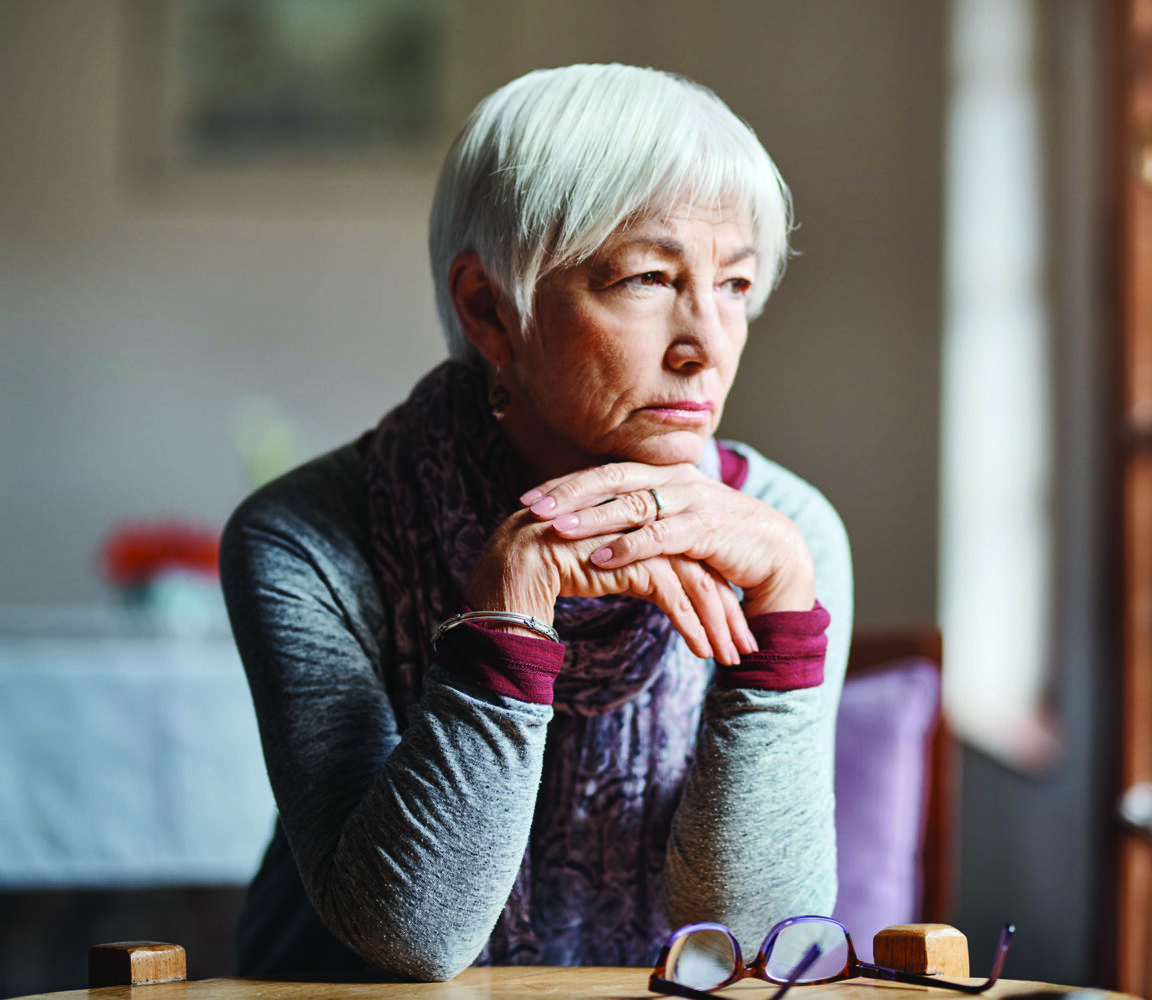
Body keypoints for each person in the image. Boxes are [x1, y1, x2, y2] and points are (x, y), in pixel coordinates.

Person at [221, 63, 852, 982]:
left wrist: (784, 622)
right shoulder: (306, 540)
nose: (709, 345)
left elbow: (756, 941)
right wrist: (509, 614)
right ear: (489, 309)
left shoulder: (785, 537)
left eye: (736, 284)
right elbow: (412, 936)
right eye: (647, 277)